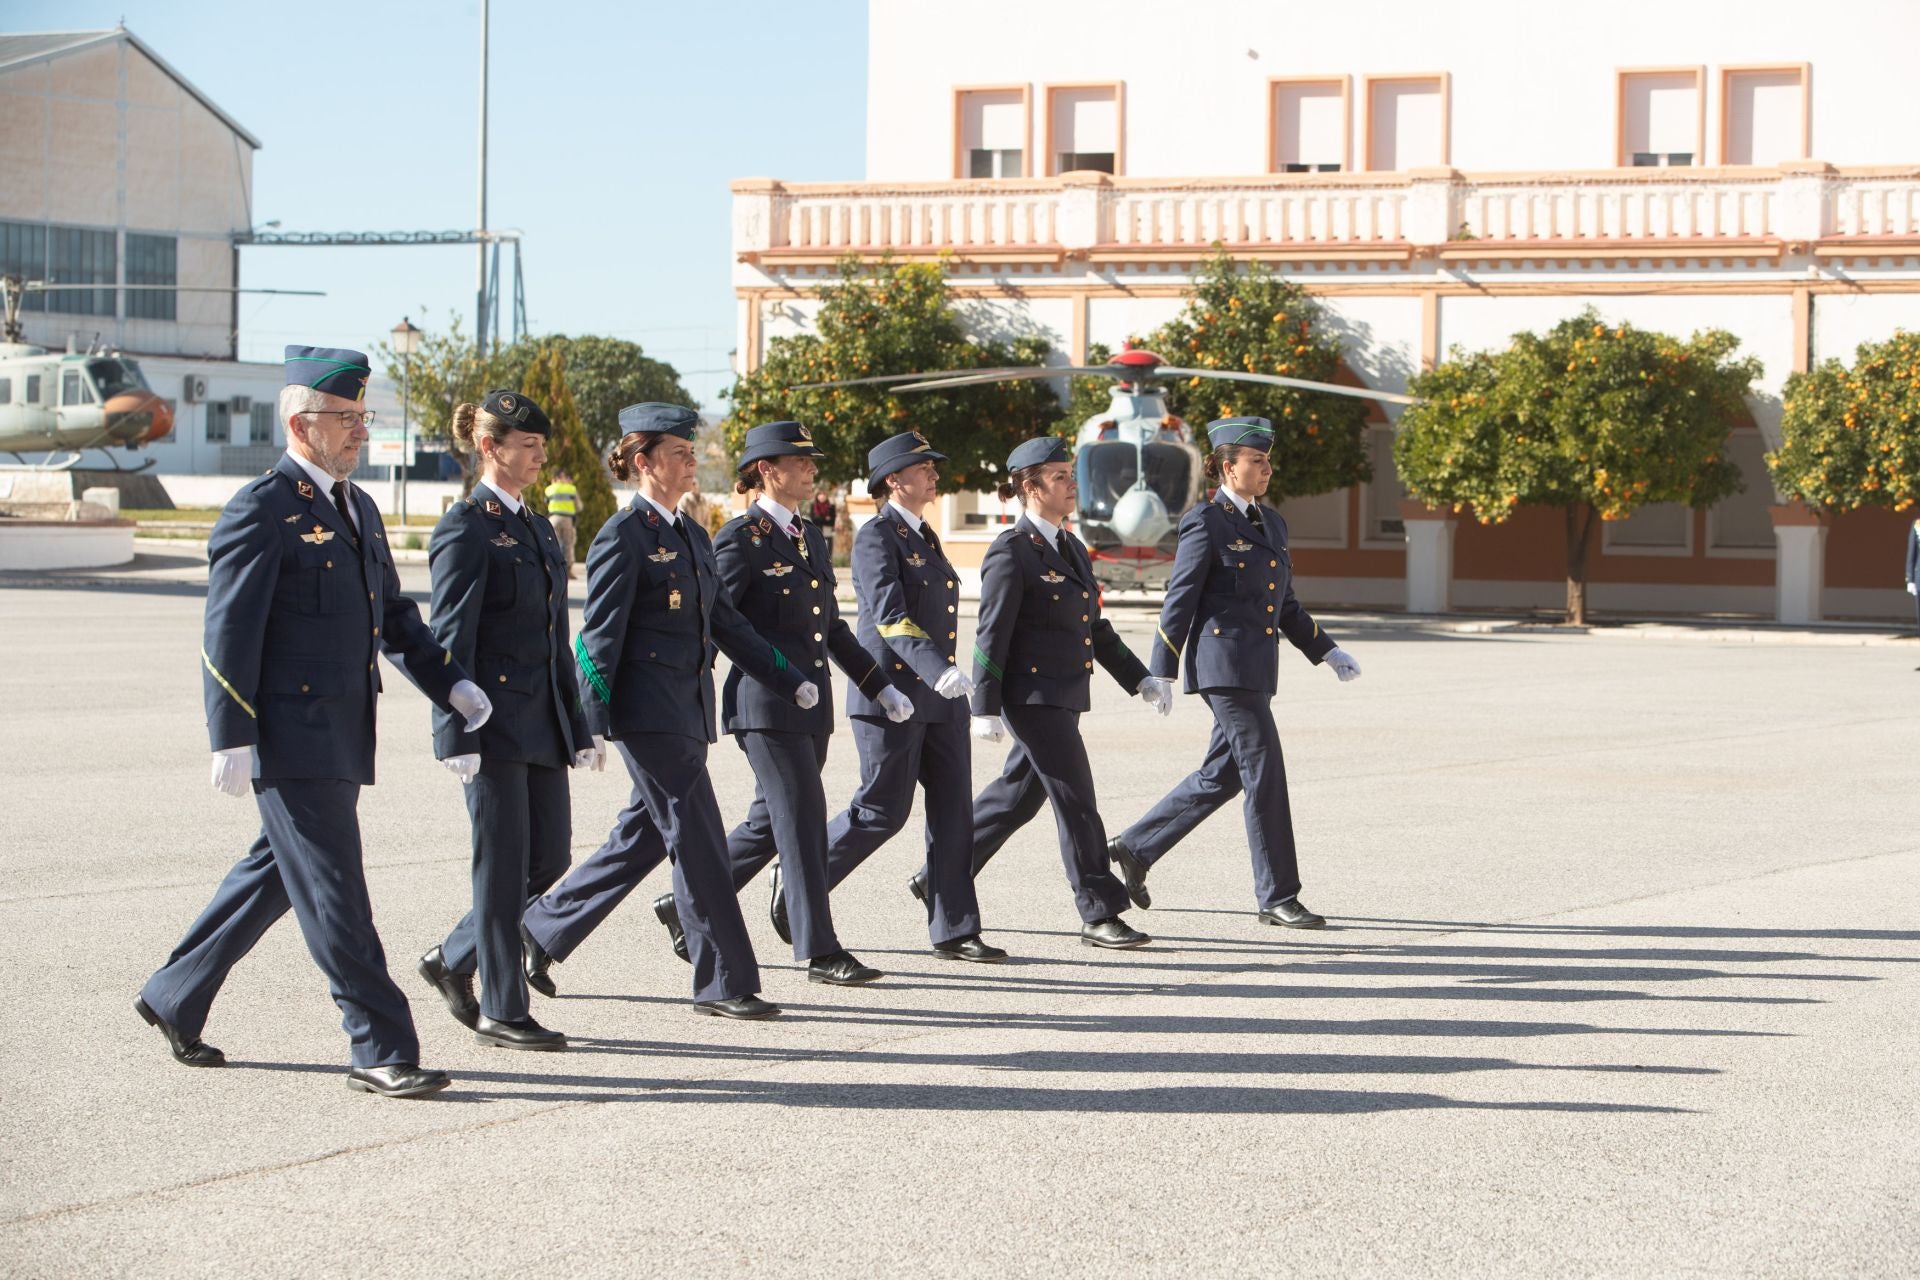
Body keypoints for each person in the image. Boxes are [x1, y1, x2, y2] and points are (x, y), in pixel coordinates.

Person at [135, 344, 492, 1099]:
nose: (361, 430)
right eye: (346, 417)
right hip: (288, 734)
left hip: (342, 732)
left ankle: (173, 993)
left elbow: (393, 616)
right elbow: (227, 630)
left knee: (274, 874)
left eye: (364, 415)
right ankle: (378, 1045)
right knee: (336, 892)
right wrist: (229, 733)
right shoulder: (260, 510)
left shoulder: (355, 506)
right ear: (302, 423)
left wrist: (449, 684)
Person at [519, 403, 816, 1019]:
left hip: (685, 708)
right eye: (679, 452)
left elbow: (725, 622)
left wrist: (787, 677)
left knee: (643, 837)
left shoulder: (689, 533)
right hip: (645, 713)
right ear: (642, 461)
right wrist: (590, 722)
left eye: (690, 451)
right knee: (700, 837)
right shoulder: (621, 537)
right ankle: (724, 980)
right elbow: (595, 637)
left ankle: (537, 929)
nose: (693, 461)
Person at [911, 436, 1173, 948]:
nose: (1070, 484)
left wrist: (1138, 676)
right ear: (1030, 488)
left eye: (1071, 474)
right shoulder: (1011, 551)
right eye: (1058, 477)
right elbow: (992, 633)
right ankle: (1099, 910)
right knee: (1077, 800)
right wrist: (983, 707)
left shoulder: (1070, 547)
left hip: (1066, 692)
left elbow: (1094, 627)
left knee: (1016, 799)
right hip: (1030, 698)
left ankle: (937, 875)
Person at [1107, 417, 1363, 928]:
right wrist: (1162, 669)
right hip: (1221, 667)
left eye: (1268, 461)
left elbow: (1284, 603)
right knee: (1265, 771)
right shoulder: (1206, 521)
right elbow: (1180, 598)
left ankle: (1136, 845)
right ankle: (1278, 895)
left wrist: (1327, 651)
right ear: (1228, 467)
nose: (1266, 470)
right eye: (1256, 461)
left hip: (1255, 668)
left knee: (1222, 774)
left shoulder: (1272, 524)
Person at [415, 391, 599, 1052]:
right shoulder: (466, 527)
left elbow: (556, 637)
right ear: (490, 447)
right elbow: (449, 640)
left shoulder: (538, 526)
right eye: (527, 445)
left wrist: (577, 728)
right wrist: (453, 732)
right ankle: (502, 1008)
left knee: (547, 858)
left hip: (542, 723)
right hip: (490, 725)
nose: (540, 456)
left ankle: (451, 957)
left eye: (541, 446)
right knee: (499, 868)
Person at [709, 421, 914, 985]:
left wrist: (879, 685)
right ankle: (819, 949)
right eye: (798, 462)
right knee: (801, 819)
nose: (810, 469)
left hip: (809, 707)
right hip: (765, 707)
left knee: (766, 824)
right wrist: (777, 680)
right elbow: (720, 625)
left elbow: (830, 628)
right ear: (767, 470)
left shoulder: (809, 536)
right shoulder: (739, 539)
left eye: (810, 461)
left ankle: (685, 901)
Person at [821, 431, 1005, 962]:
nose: (934, 475)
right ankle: (804, 875)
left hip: (939, 698)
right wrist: (936, 669)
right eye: (923, 468)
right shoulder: (876, 537)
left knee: (954, 813)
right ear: (893, 479)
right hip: (892, 694)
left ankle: (955, 927)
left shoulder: (924, 536)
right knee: (882, 811)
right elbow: (889, 614)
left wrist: (945, 680)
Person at [544, 468, 579, 577]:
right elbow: (579, 506)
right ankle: (568, 570)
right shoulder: (571, 488)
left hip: (553, 519)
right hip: (567, 519)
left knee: (553, 544)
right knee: (568, 545)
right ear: (561, 477)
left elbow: (546, 502)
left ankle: (552, 568)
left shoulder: (549, 489)